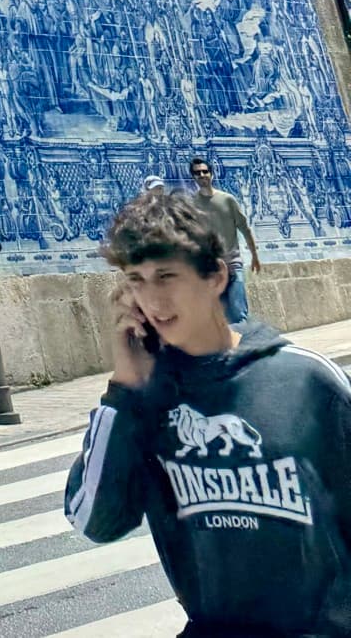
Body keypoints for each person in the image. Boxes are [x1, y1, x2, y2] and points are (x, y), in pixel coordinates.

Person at [66, 184, 351, 636]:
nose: (153, 302)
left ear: (216, 277)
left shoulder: (305, 379)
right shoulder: (145, 402)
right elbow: (94, 521)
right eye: (136, 281)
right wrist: (122, 388)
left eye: (166, 277)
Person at [188, 157, 264, 323]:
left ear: (211, 174)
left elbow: (245, 228)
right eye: (197, 173)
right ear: (193, 177)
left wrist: (255, 256)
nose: (202, 175)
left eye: (205, 171)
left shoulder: (227, 200)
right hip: (212, 268)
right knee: (224, 315)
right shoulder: (192, 205)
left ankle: (248, 346)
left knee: (239, 313)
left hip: (233, 263)